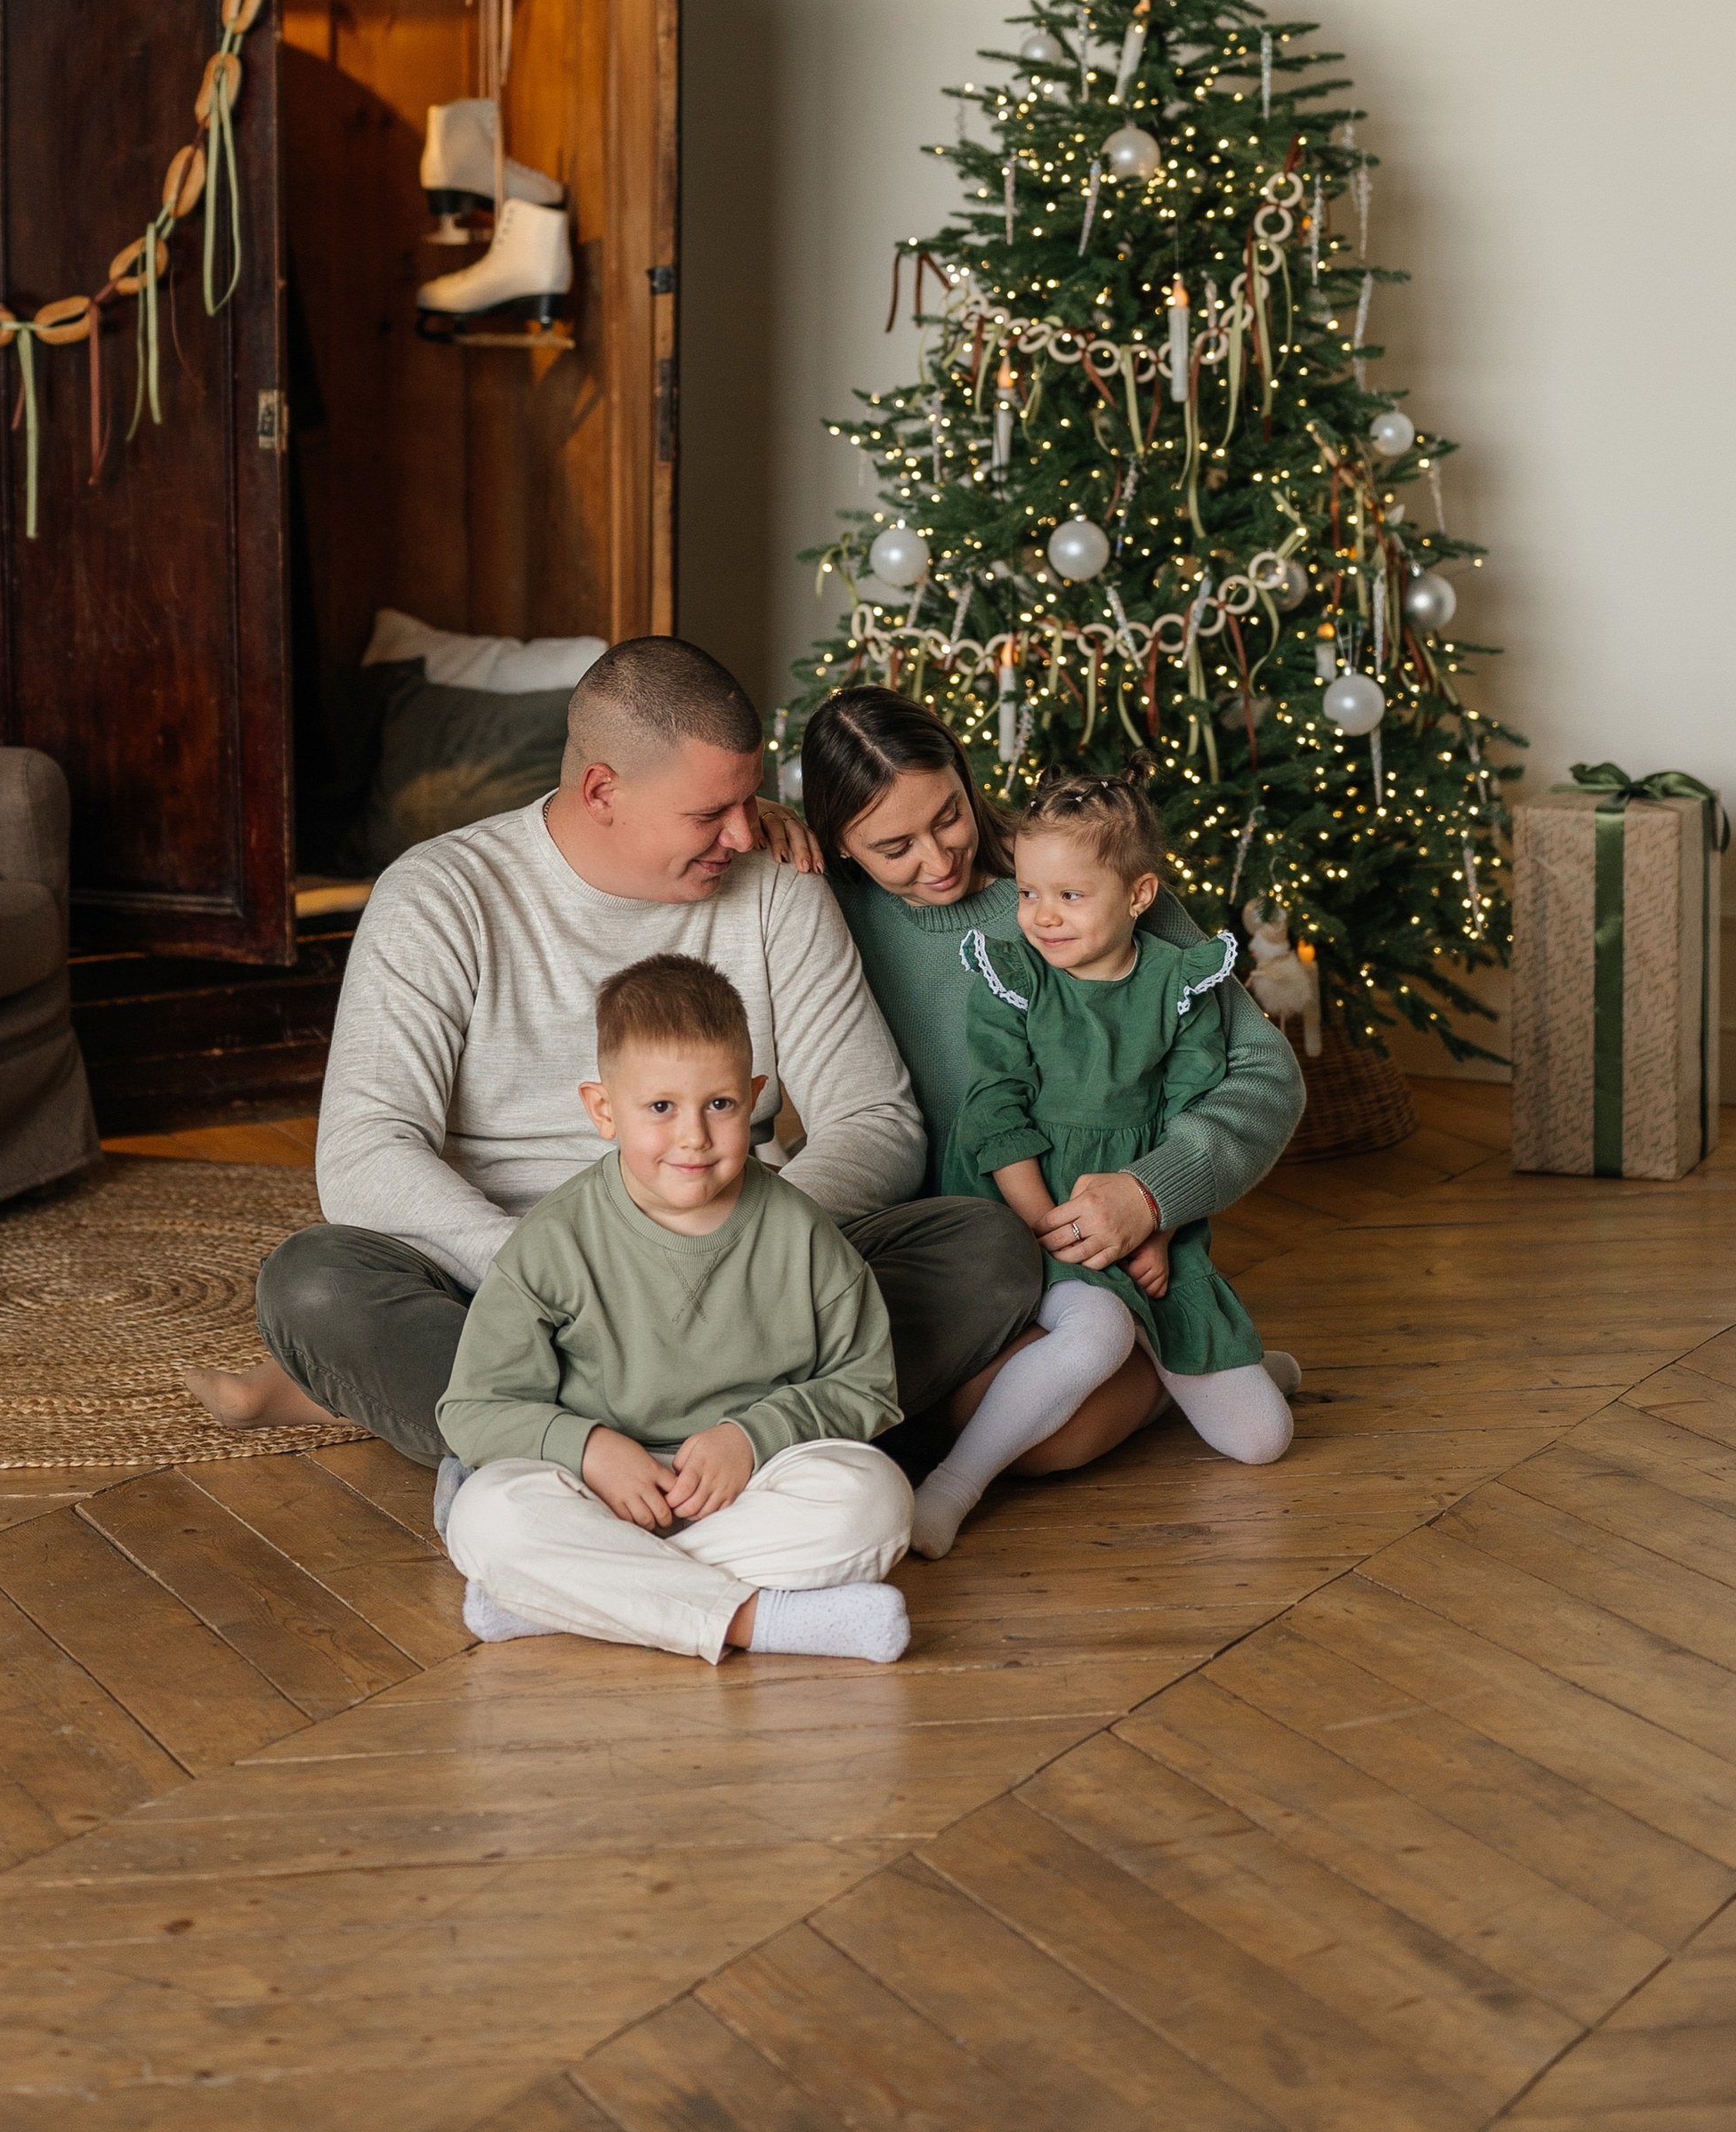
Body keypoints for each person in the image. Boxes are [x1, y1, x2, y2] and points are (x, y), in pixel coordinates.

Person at [192, 638, 1044, 1465]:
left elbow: (875, 1116)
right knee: (313, 1283)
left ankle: (561, 1451)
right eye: (711, 813)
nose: (746, 835)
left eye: (751, 800)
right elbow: (364, 1149)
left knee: (986, 1250)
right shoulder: (441, 895)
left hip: (743, 1265)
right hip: (510, 1281)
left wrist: (761, 1251)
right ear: (602, 790)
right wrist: (554, 1279)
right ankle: (732, 1440)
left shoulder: (780, 887)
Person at [794, 686, 1304, 1487]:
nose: (938, 859)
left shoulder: (1091, 885)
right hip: (956, 1257)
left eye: (949, 816)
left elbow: (1265, 1074)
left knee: (1051, 1429)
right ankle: (1184, 1369)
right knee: (997, 1428)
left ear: (964, 776)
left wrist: (1152, 1192)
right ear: (838, 843)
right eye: (895, 847)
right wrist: (757, 820)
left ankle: (1173, 1360)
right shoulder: (818, 911)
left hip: (1101, 1236)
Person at [439, 955, 915, 1663]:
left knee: (875, 1498)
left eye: (719, 1105)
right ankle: (760, 1622)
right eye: (661, 1107)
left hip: (748, 1493)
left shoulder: (803, 1234)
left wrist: (751, 1438)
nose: (693, 1136)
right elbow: (473, 1408)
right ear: (604, 1110)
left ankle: (567, 1598)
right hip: (594, 1493)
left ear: (756, 1099)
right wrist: (591, 1450)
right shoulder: (554, 1242)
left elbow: (866, 1384)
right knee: (490, 1513)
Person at [909, 771, 1293, 1554]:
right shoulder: (1012, 977)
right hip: (1033, 1214)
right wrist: (1043, 1226)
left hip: (1142, 1216)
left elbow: (1191, 1115)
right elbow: (995, 1113)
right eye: (1027, 893)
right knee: (1096, 1335)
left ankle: (1235, 1372)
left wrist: (1155, 1221)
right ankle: (949, 1489)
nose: (1041, 917)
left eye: (1070, 897)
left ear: (1140, 894)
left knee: (1263, 1440)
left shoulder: (1179, 982)